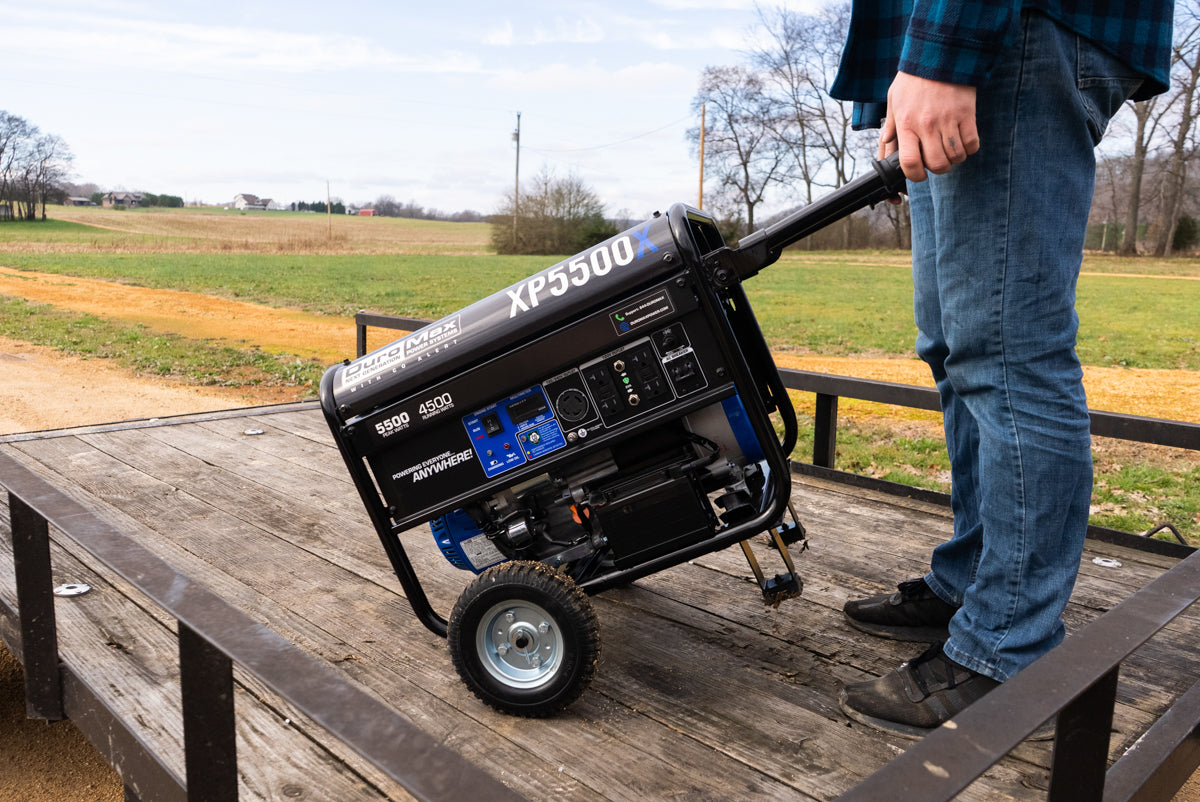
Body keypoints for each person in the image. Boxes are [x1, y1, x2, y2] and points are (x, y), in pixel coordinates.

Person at [828, 0, 1174, 737]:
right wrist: (902, 83)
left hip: (1007, 29)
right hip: (969, 41)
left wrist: (942, 53)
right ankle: (972, 584)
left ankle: (1005, 648)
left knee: (1009, 355)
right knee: (954, 349)